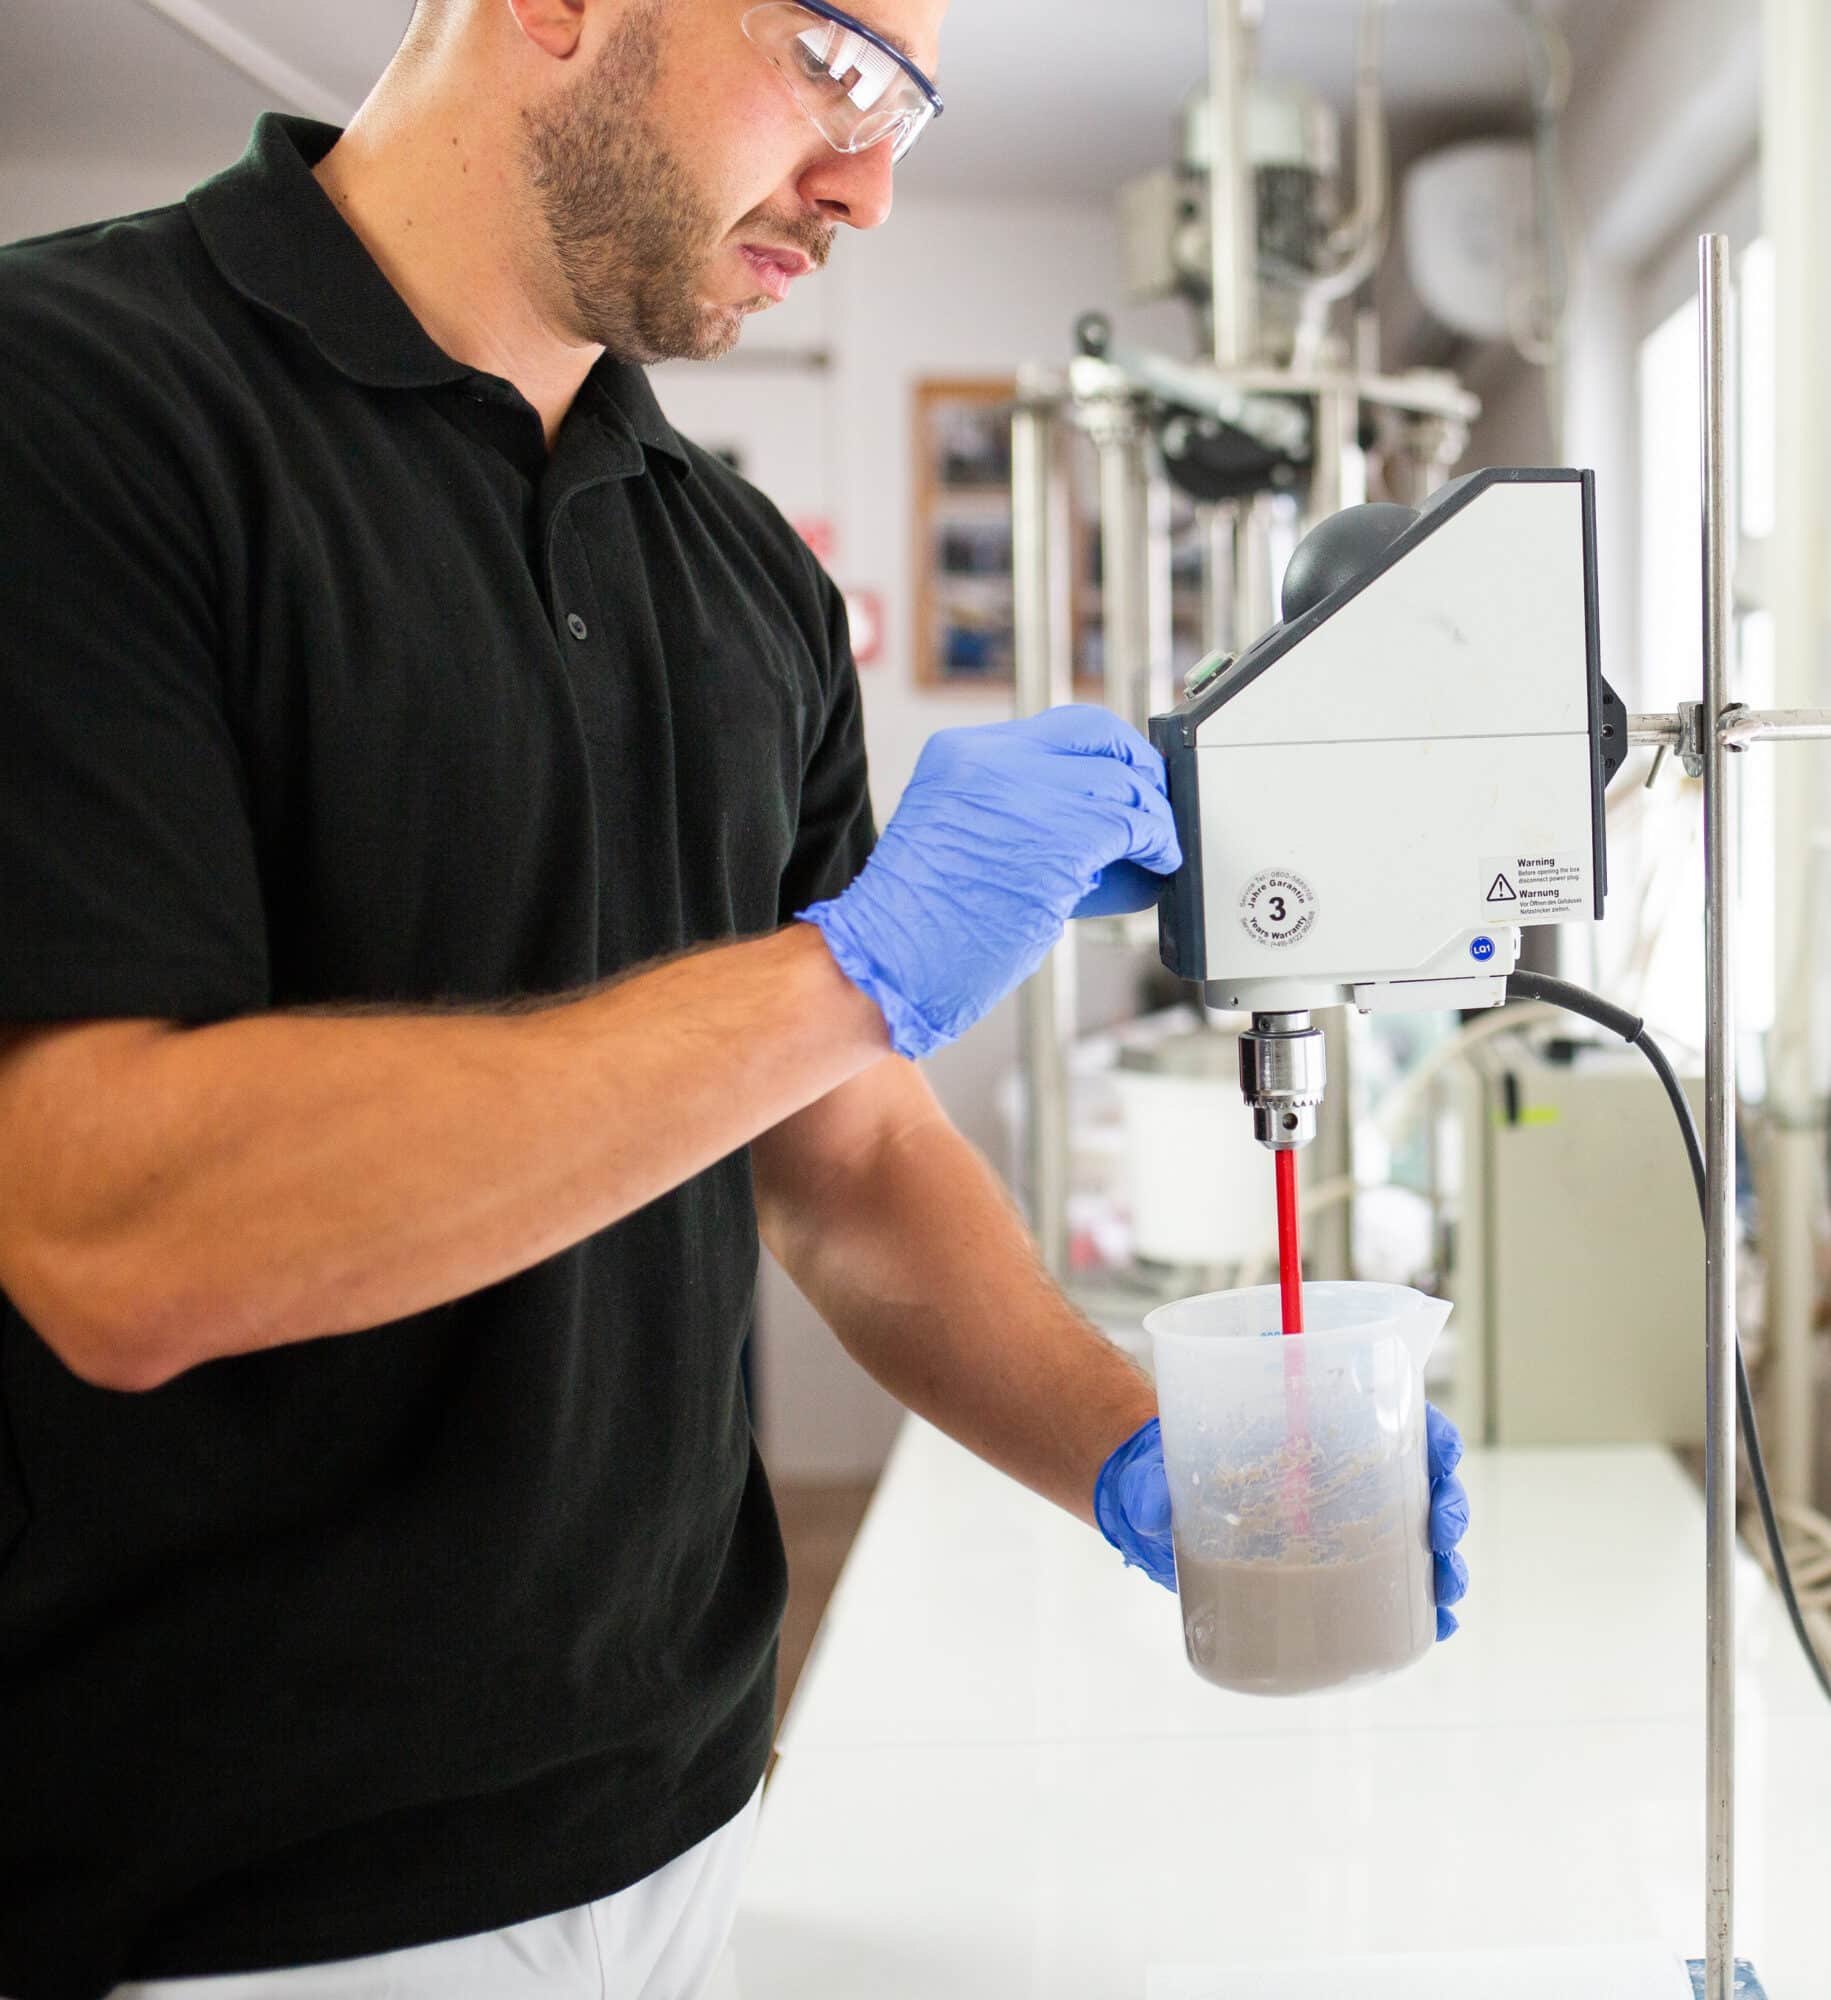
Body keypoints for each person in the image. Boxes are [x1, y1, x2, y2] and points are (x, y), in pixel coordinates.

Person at [0, 2, 1470, 1995]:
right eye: (841, 69)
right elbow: (111, 1228)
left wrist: (1145, 1450)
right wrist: (850, 969)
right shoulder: (70, 406)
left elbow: (840, 1152)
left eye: (918, 115)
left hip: (680, 1809)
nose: (871, 181)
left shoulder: (743, 577)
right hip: (217, 1892)